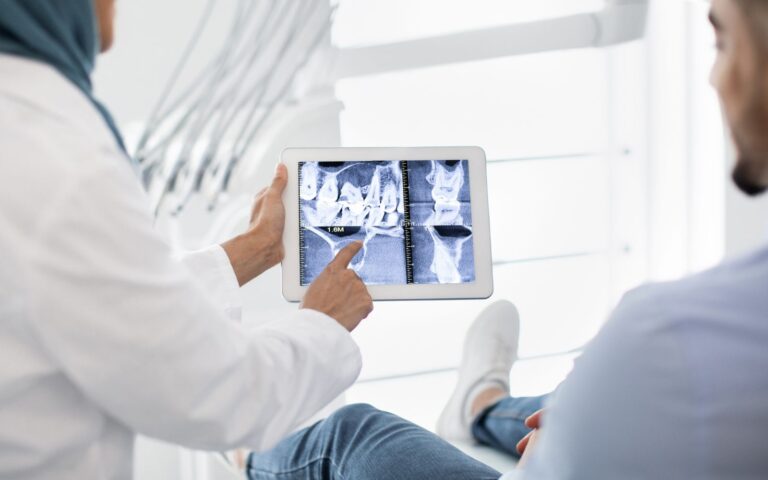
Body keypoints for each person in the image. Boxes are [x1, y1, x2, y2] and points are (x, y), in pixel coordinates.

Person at [240, 0, 768, 478]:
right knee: (585, 404)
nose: (714, 78)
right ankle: (482, 406)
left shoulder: (664, 335)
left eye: (722, 42)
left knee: (351, 432)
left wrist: (545, 466)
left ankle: (245, 455)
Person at [0, 1, 373, 479]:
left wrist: (255, 249)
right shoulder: (63, 159)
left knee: (357, 434)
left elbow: (94, 302)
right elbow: (221, 394)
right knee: (357, 429)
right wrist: (324, 322)